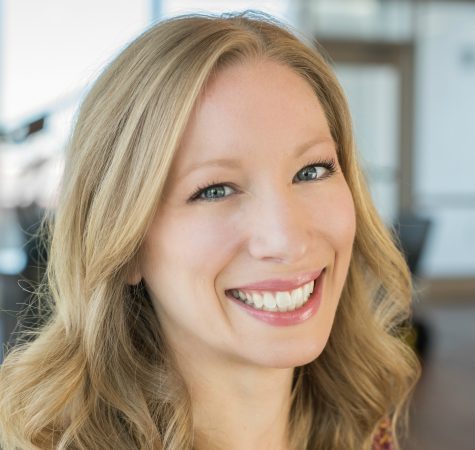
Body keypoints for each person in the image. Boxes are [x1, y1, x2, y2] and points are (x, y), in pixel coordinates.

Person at [0, 12, 420, 450]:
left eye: (312, 171)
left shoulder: (368, 431)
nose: (287, 240)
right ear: (125, 246)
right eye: (215, 190)